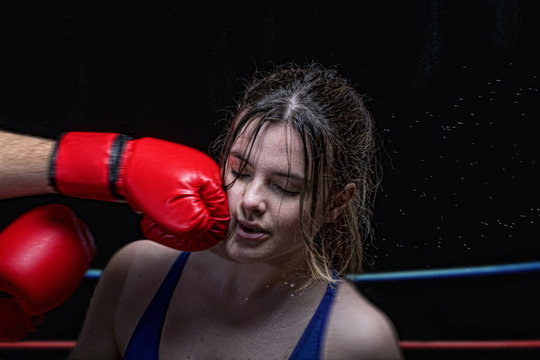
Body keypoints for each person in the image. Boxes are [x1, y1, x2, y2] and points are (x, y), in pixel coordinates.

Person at [68, 62, 403, 359]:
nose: (250, 199)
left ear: (335, 203)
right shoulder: (137, 273)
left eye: (285, 187)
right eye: (239, 171)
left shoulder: (357, 340)